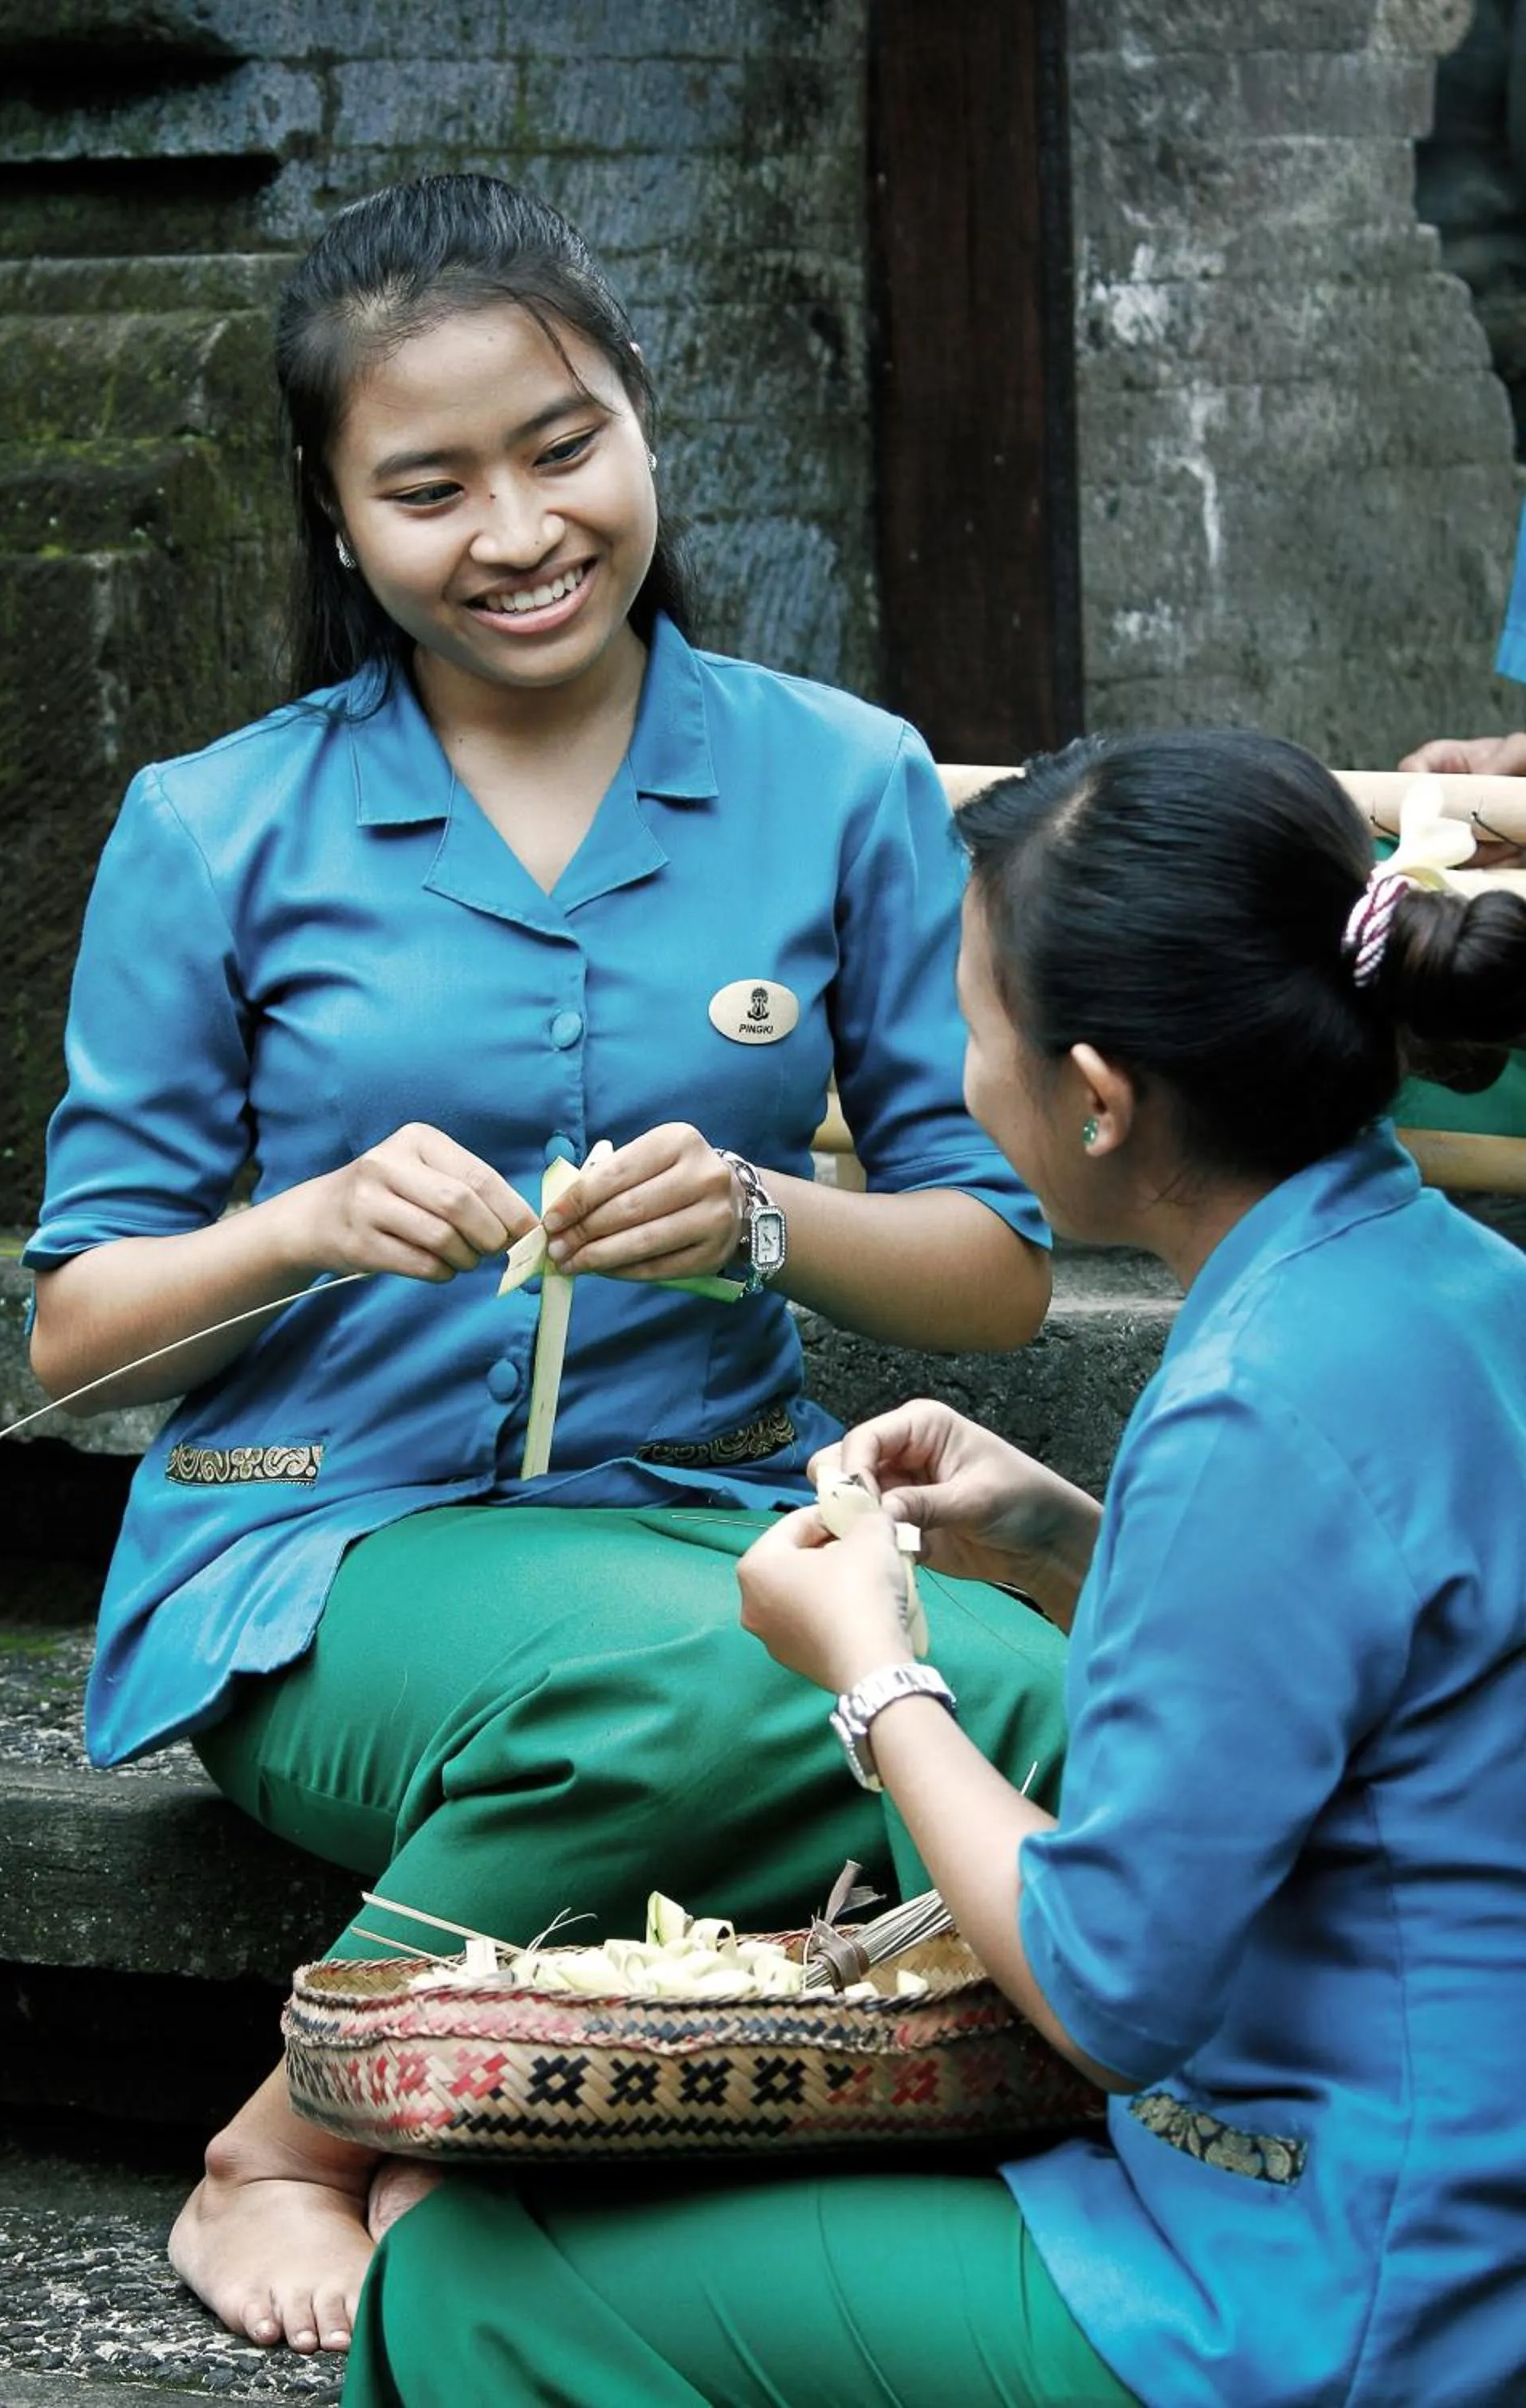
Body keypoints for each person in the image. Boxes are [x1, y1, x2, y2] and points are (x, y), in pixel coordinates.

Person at [23, 173, 1065, 2356]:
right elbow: (76, 1342)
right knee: (695, 1688)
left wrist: (765, 1219)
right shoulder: (214, 824)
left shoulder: (844, 778)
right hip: (323, 1545)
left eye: (563, 445)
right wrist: (303, 1224)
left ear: (641, 418)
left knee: (1052, 1698)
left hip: (719, 1511)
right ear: (336, 521)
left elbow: (997, 1273)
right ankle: (287, 2146)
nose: (517, 531)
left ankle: (519, 2133)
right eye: (428, 489)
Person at [343, 728, 1526, 2407]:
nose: (967, 1077)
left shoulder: (1251, 1402)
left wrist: (878, 1674)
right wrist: (1063, 1540)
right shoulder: (1443, 1281)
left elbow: (1109, 1989)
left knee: (473, 2271)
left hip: (1318, 2293)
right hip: (1453, 2214)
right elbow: (1359, 1674)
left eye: (975, 1032)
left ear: (1098, 1098)